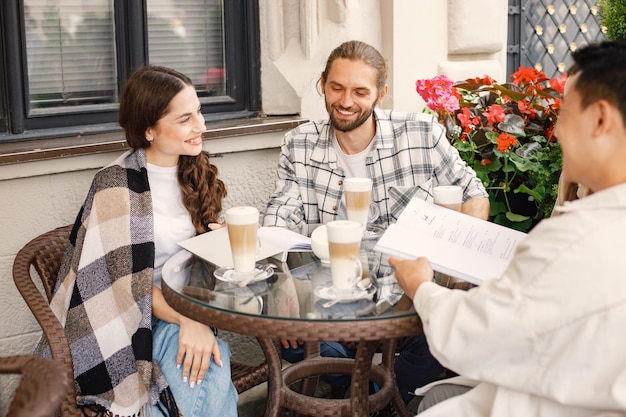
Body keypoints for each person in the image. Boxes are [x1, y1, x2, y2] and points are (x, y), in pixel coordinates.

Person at [389, 40, 626, 416]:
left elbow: (474, 338)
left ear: (600, 119)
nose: (558, 132)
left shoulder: (578, 237)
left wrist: (420, 285)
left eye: (564, 115)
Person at [262, 40, 490, 398]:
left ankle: (360, 386)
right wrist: (280, 285)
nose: (345, 101)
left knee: (436, 339)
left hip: (405, 296)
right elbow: (280, 217)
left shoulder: (420, 133)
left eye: (359, 91)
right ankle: (376, 388)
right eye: (336, 87)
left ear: (381, 93)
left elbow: (473, 193)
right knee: (288, 337)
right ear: (323, 83)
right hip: (333, 299)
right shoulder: (299, 144)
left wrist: (459, 265)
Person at [39, 66, 238, 417]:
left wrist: (218, 246)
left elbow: (191, 265)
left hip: (176, 312)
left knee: (209, 369)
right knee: (211, 372)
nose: (202, 126)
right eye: (185, 119)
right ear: (149, 130)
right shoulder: (115, 186)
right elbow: (127, 288)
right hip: (124, 322)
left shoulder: (194, 172)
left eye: (200, 112)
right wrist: (191, 322)